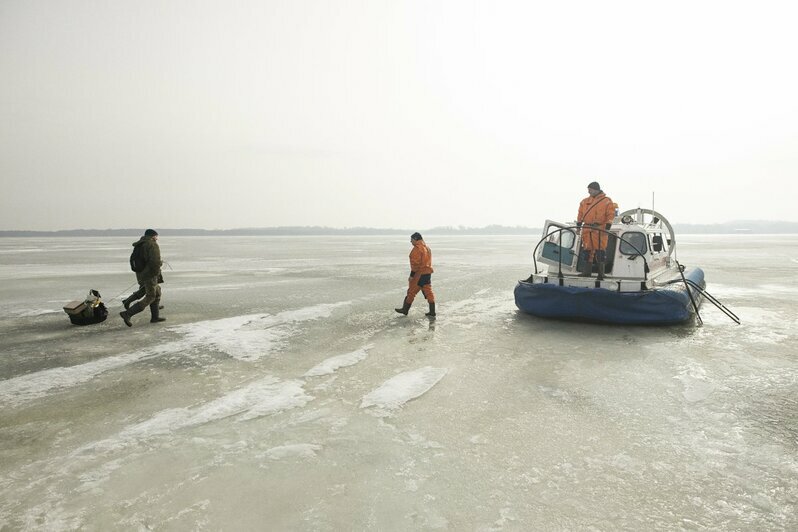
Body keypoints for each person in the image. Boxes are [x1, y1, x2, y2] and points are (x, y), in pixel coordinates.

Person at [120, 229, 165, 326]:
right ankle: (127, 314)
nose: (157, 238)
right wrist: (156, 272)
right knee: (151, 296)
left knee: (157, 292)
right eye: (156, 236)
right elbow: (154, 262)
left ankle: (155, 317)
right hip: (150, 274)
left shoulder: (140, 244)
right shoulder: (152, 245)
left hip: (140, 273)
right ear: (153, 236)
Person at [576, 181, 615, 280]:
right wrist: (578, 227)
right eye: (588, 190)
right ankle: (586, 272)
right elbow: (580, 215)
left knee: (600, 251)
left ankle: (601, 274)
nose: (589, 192)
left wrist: (607, 227)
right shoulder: (584, 201)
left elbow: (610, 214)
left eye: (590, 189)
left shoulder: (607, 201)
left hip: (599, 229)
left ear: (596, 189)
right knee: (587, 251)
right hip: (586, 229)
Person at [395, 232, 436, 317]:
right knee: (429, 292)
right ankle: (432, 311)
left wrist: (411, 275)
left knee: (411, 292)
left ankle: (405, 309)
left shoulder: (417, 249)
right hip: (427, 273)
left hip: (419, 274)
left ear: (416, 239)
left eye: (411, 239)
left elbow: (415, 264)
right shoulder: (427, 248)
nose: (410, 241)